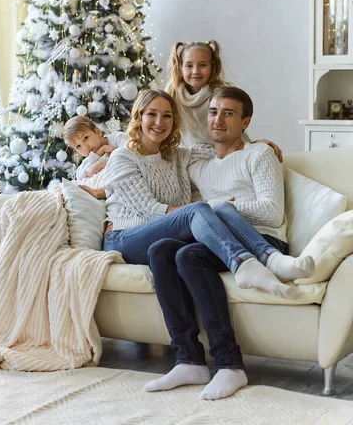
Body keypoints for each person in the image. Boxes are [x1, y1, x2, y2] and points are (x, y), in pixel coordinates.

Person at [101, 89, 313, 400]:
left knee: (170, 252)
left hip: (255, 235)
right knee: (187, 229)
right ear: (138, 118)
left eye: (228, 113)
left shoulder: (198, 156)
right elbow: (149, 207)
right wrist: (93, 169)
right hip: (130, 234)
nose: (217, 119)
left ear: (245, 121)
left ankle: (207, 362)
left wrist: (258, 144)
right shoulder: (133, 158)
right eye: (213, 112)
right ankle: (242, 270)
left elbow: (269, 208)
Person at [165, 40, 283, 161]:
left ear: (213, 66)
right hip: (187, 158)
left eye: (202, 65)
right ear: (180, 67)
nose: (196, 71)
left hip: (220, 157)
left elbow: (237, 131)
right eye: (189, 65)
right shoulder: (172, 96)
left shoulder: (221, 95)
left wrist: (254, 145)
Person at [63, 116, 127, 184]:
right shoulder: (89, 160)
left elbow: (132, 152)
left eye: (85, 138)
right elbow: (79, 175)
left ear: (98, 132)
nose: (85, 147)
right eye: (78, 146)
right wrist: (101, 151)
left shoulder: (117, 138)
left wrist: (102, 164)